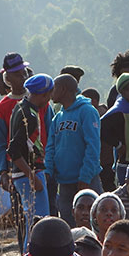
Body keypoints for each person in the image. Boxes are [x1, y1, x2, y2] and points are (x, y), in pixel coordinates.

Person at [46, 74, 103, 227]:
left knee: (94, 223)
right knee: (68, 225)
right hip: (64, 182)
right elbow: (51, 147)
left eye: (54, 88)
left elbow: (93, 146)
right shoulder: (57, 117)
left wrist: (85, 176)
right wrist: (48, 172)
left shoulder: (87, 111)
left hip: (86, 181)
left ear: (63, 89)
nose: (51, 92)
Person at [8, 73, 56, 244]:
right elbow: (14, 150)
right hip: (28, 173)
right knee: (39, 223)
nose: (49, 99)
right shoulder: (29, 116)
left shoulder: (20, 107)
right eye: (49, 94)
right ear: (43, 94)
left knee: (32, 221)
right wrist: (32, 176)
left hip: (24, 174)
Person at [0, 53, 30, 193]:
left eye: (24, 73)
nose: (22, 77)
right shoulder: (2, 107)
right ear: (7, 79)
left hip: (40, 166)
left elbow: (50, 132)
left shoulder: (40, 99)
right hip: (14, 169)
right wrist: (3, 171)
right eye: (17, 74)